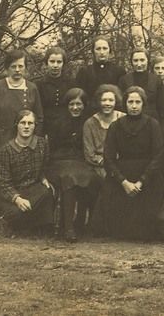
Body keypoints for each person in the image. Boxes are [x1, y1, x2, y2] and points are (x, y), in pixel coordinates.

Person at [90, 86, 164, 240]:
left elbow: (158, 156)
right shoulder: (116, 126)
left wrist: (141, 181)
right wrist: (123, 182)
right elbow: (108, 158)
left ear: (143, 104)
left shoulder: (153, 124)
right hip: (122, 173)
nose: (134, 106)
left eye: (138, 102)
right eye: (131, 102)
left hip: (147, 174)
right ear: (125, 103)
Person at [0, 49, 44, 209]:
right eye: (13, 66)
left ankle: (19, 214)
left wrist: (34, 140)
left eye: (20, 66)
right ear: (7, 68)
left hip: (24, 139)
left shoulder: (31, 88)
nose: (17, 70)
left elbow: (39, 116)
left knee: (21, 177)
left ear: (25, 68)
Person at [44, 88, 100, 242]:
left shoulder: (89, 123)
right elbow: (51, 149)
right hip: (59, 163)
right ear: (66, 105)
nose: (75, 108)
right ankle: (68, 228)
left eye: (79, 104)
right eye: (72, 104)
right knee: (69, 178)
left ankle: (83, 224)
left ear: (85, 105)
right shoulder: (57, 123)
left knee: (87, 178)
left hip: (81, 162)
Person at [0, 110, 55, 233]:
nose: (26, 126)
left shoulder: (42, 144)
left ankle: (35, 226)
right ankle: (17, 224)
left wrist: (43, 178)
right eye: (23, 123)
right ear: (17, 125)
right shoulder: (5, 150)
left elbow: (44, 167)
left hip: (33, 192)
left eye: (30, 123)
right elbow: (3, 183)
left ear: (35, 126)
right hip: (12, 194)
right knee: (15, 213)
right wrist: (17, 199)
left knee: (47, 193)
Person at [36, 47, 75, 143]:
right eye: (52, 61)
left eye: (59, 62)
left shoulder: (71, 83)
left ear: (63, 64)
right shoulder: (39, 84)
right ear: (46, 63)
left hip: (67, 127)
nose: (55, 65)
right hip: (46, 129)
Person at [75, 36, 126, 109]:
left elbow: (122, 97)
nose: (102, 52)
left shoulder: (119, 71)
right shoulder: (84, 72)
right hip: (91, 112)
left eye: (105, 48)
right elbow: (80, 96)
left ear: (110, 50)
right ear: (93, 51)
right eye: (98, 49)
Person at [118, 47, 164, 120]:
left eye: (142, 60)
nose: (139, 64)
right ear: (131, 62)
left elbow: (161, 106)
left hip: (151, 121)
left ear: (147, 61)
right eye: (135, 60)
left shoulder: (156, 80)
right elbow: (121, 105)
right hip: (129, 120)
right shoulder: (124, 80)